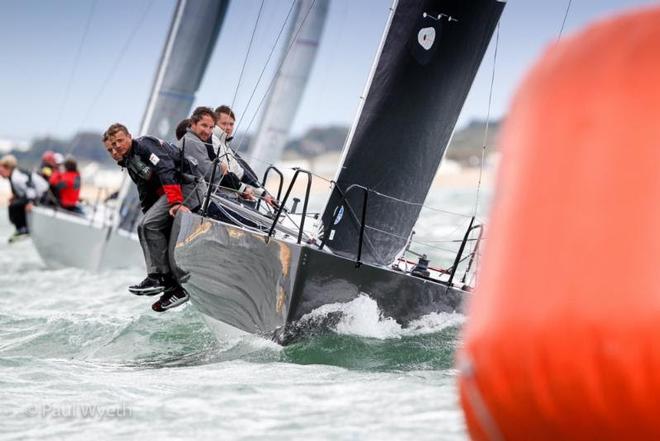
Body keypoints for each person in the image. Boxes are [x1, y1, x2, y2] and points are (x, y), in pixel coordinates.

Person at [104, 123, 192, 312]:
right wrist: (149, 214)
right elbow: (145, 192)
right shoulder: (130, 161)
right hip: (169, 193)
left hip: (183, 187)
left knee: (147, 226)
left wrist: (176, 202)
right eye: (111, 147)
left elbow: (166, 168)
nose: (115, 148)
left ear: (130, 136)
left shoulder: (144, 146)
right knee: (146, 227)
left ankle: (159, 278)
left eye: (119, 141)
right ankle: (171, 288)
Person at [212, 105, 276, 207]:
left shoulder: (225, 145)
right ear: (214, 124)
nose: (228, 128)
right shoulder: (213, 141)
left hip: (230, 198)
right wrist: (244, 189)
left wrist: (264, 195)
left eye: (231, 124)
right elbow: (222, 174)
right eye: (224, 124)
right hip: (218, 198)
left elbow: (240, 174)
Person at [0, 154, 49, 242]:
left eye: (1, 169)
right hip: (36, 194)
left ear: (8, 168)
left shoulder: (16, 177)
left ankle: (23, 229)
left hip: (43, 194)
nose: (0, 172)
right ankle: (20, 228)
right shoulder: (13, 175)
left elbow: (30, 187)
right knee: (14, 203)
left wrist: (31, 202)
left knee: (13, 206)